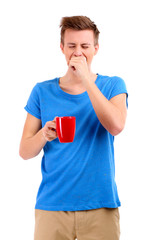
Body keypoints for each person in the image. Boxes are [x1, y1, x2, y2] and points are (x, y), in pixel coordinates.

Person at [19, 16, 128, 240]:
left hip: (101, 206)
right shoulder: (42, 91)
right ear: (62, 48)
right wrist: (43, 135)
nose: (78, 52)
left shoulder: (113, 85)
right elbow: (24, 151)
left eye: (85, 46)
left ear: (96, 48)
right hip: (52, 206)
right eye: (72, 46)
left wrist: (86, 79)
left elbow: (116, 125)